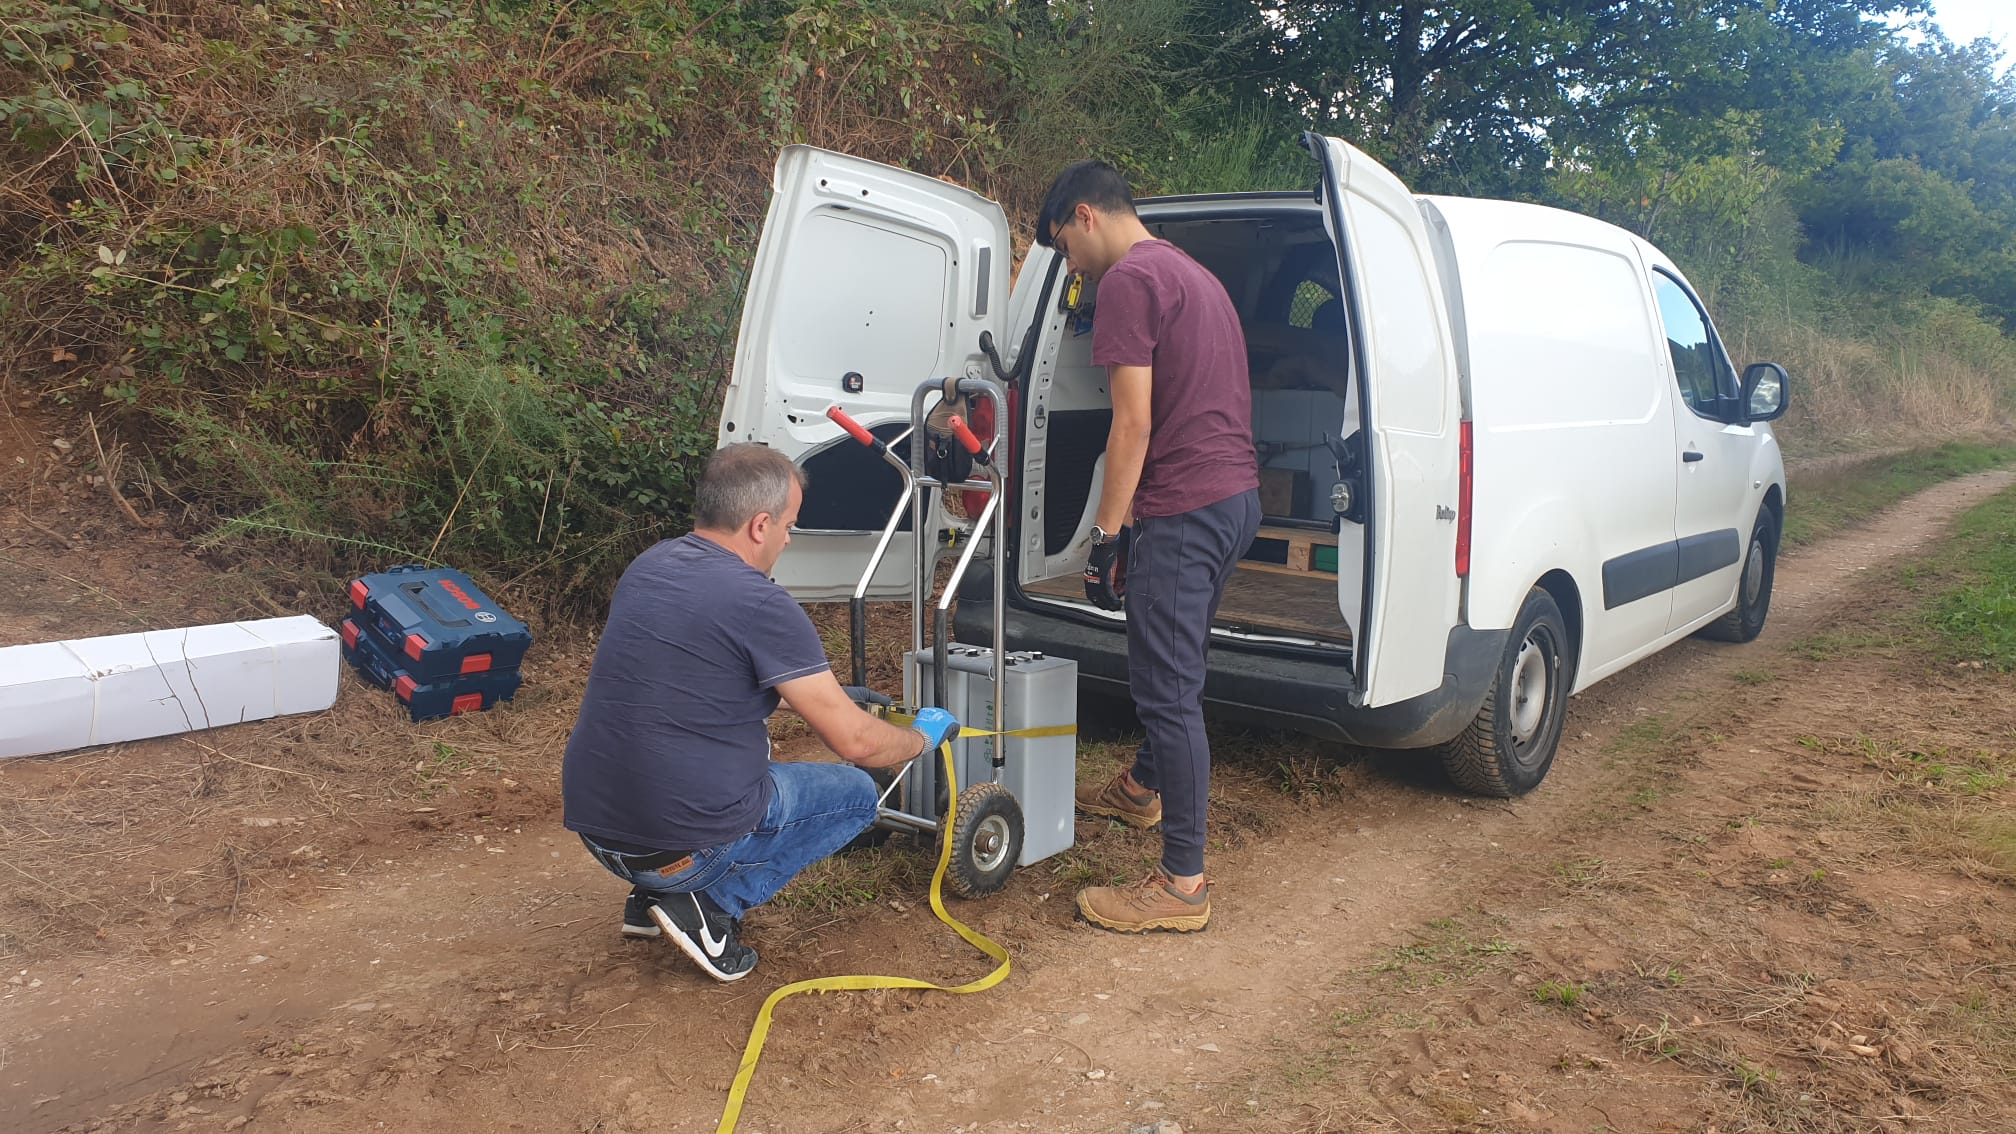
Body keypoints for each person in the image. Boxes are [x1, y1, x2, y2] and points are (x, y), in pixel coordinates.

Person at [562, 443, 959, 982]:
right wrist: (920, 738)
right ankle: (708, 906)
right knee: (859, 794)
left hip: (602, 835)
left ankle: (652, 896)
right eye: (789, 526)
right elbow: (857, 745)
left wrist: (834, 694)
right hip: (682, 846)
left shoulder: (650, 565)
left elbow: (696, 680)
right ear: (760, 524)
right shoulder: (761, 603)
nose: (789, 539)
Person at [1038, 160, 1262, 933]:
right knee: (1180, 657)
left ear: (1084, 215)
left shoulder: (1129, 283)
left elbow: (1131, 421)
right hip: (1235, 499)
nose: (1071, 264)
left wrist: (1106, 536)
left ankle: (1182, 885)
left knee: (1168, 691)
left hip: (1188, 505)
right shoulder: (1191, 274)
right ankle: (1139, 790)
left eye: (1064, 244)